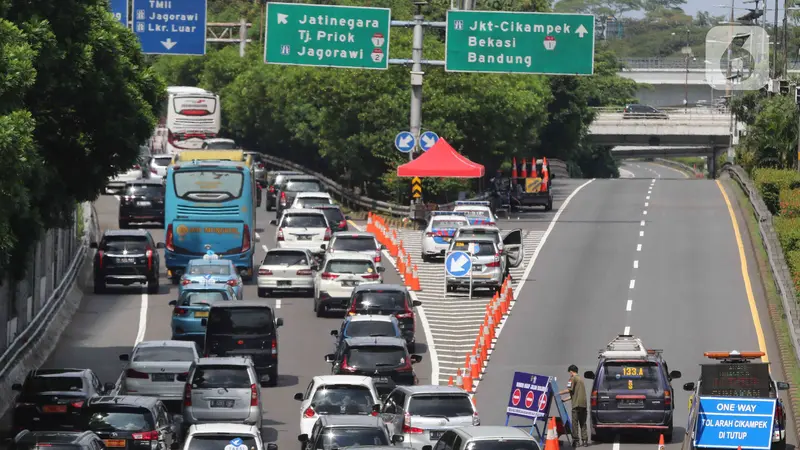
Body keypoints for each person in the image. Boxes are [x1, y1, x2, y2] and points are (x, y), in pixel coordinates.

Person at [559, 364, 589, 447]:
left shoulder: (572, 378)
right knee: (583, 423)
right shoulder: (581, 379)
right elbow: (574, 394)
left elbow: (569, 389)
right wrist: (564, 400)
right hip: (583, 405)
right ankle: (585, 441)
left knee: (575, 424)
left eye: (569, 372)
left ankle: (576, 441)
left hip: (576, 405)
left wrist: (558, 393)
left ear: (571, 372)